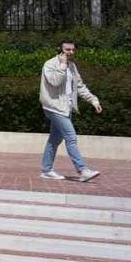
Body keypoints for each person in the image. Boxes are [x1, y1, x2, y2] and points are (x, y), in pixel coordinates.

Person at [39, 40, 103, 182]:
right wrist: (62, 65)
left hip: (66, 108)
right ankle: (82, 170)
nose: (71, 52)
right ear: (60, 50)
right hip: (54, 107)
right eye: (67, 49)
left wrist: (93, 100)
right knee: (71, 137)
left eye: (73, 50)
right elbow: (55, 82)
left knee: (54, 140)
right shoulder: (50, 64)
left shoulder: (72, 66)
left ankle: (46, 170)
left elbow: (79, 86)